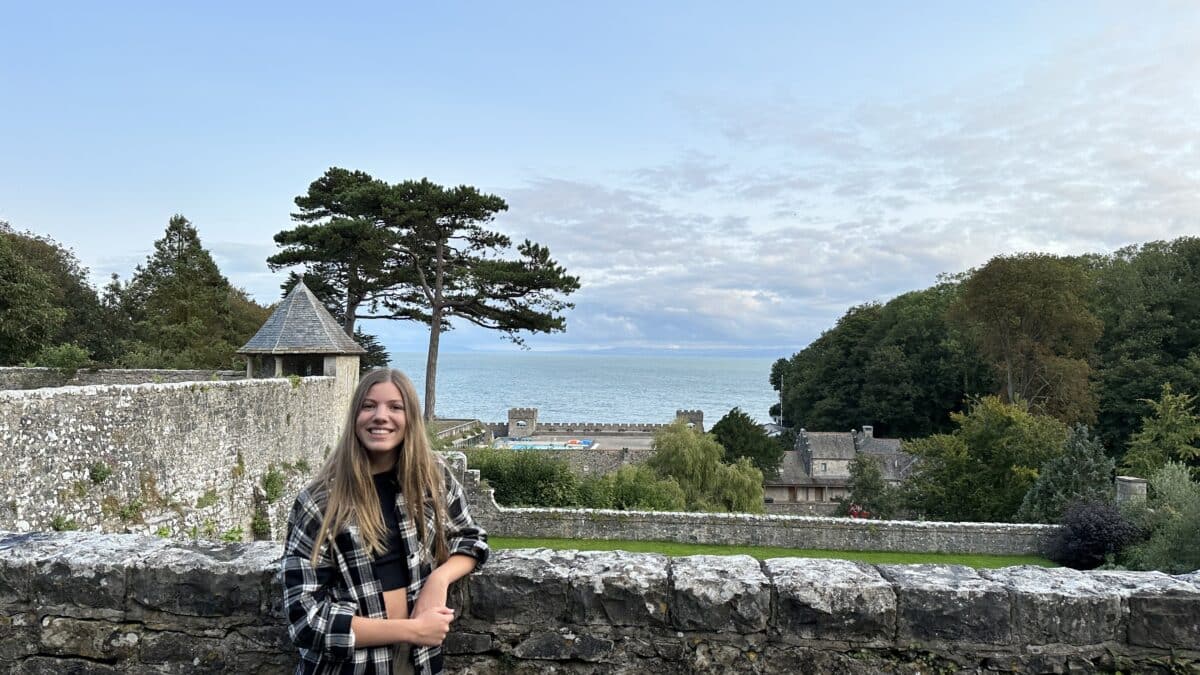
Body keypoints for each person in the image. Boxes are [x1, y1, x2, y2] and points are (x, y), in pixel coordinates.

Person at [282, 368, 489, 674]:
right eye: (369, 406)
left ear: (411, 418)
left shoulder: (433, 477)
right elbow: (305, 621)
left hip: (418, 663)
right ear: (355, 416)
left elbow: (470, 539)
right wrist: (413, 630)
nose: (380, 416)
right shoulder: (319, 502)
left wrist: (439, 579)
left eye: (395, 407)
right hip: (349, 667)